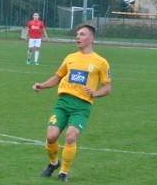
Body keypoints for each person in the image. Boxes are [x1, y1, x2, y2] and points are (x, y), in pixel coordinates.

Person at [32, 24, 111, 182]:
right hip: (63, 103)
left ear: (91, 39)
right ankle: (54, 163)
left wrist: (95, 93)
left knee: (70, 137)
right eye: (77, 34)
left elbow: (107, 87)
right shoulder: (70, 58)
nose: (78, 37)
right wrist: (43, 84)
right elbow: (57, 77)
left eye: (82, 34)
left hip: (81, 107)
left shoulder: (101, 62)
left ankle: (63, 173)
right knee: (51, 136)